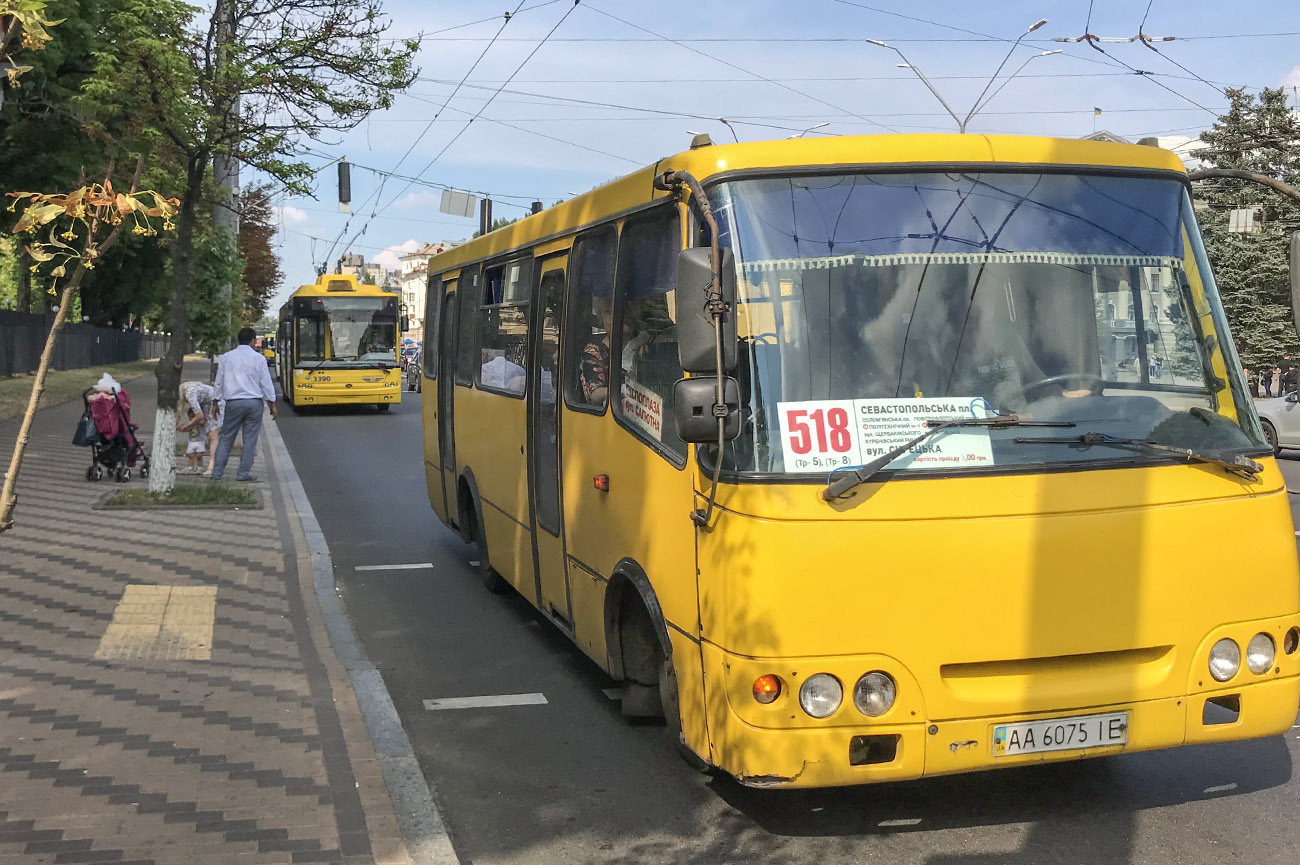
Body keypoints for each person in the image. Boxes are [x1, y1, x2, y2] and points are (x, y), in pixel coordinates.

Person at [211, 327, 277, 482]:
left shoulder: (226, 358)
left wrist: (216, 401)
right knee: (250, 439)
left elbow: (219, 381)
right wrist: (272, 404)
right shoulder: (258, 359)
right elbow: (265, 383)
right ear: (253, 340)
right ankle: (243, 473)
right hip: (254, 403)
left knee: (226, 437)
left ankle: (217, 472)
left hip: (233, 402)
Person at [177, 380, 223, 476]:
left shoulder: (190, 394)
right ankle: (210, 466)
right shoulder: (192, 388)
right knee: (211, 434)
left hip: (215, 404)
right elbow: (180, 412)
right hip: (208, 403)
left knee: (213, 435)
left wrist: (186, 426)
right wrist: (176, 423)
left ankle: (212, 466)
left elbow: (199, 416)